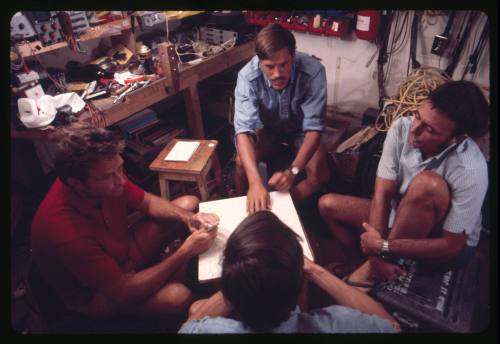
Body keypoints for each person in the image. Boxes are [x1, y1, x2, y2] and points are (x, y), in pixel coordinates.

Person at [31, 123, 220, 324]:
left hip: (121, 255)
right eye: (109, 176)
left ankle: (169, 274)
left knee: (188, 206)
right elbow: (122, 292)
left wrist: (188, 218)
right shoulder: (64, 232)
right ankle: (172, 280)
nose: (121, 180)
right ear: (76, 184)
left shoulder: (105, 171)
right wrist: (185, 252)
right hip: (99, 294)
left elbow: (147, 202)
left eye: (120, 168)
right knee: (178, 297)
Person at [318, 80, 489, 290]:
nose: (415, 130)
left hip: (443, 243)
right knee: (328, 205)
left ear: (456, 138)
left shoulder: (470, 169)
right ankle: (364, 267)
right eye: (418, 116)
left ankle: (368, 276)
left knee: (427, 184)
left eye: (430, 130)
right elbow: (382, 194)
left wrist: (384, 247)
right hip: (402, 217)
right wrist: (375, 256)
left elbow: (451, 246)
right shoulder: (401, 128)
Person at [178, 211, 399, 333]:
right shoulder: (337, 324)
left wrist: (242, 278)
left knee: (196, 308)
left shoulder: (212, 331)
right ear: (299, 281)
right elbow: (392, 327)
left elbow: (187, 328)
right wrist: (314, 270)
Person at [234, 23, 330, 214]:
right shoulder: (247, 76)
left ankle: (280, 212)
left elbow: (314, 129)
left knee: (319, 175)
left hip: (301, 130)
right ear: (259, 61)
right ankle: (242, 211)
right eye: (269, 67)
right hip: (268, 131)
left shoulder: (314, 71)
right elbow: (244, 131)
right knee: (240, 164)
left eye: (283, 65)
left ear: (293, 56)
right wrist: (255, 183)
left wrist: (293, 171)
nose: (277, 74)